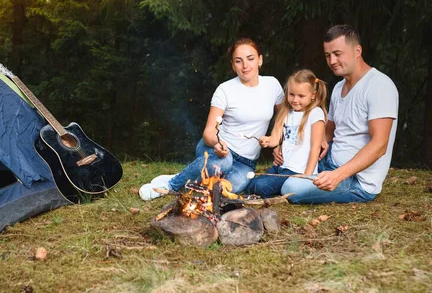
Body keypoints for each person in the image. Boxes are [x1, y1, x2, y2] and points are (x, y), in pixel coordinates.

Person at [139, 38, 284, 200]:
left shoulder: (272, 85)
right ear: (233, 65)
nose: (245, 65)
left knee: (228, 189)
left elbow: (283, 117)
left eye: (250, 59)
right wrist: (217, 144)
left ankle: (192, 175)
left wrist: (277, 142)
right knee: (224, 163)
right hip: (217, 152)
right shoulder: (225, 90)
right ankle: (171, 184)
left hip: (246, 163)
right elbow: (208, 133)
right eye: (238, 61)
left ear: (260, 60)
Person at [279, 25, 399, 203]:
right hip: (329, 162)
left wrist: (338, 175)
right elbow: (329, 131)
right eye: (328, 55)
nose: (332, 60)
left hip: (355, 180)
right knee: (280, 174)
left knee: (290, 188)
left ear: (357, 51)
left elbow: (380, 145)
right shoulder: (338, 88)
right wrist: (288, 148)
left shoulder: (379, 85)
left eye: (337, 53)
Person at [244, 70, 327, 198]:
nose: (295, 100)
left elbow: (315, 147)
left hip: (297, 171)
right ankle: (278, 187)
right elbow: (275, 139)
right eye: (291, 94)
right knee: (251, 186)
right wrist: (266, 140)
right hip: (280, 167)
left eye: (301, 96)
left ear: (313, 95)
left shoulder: (315, 113)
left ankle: (282, 188)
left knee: (260, 187)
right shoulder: (286, 113)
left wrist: (307, 175)